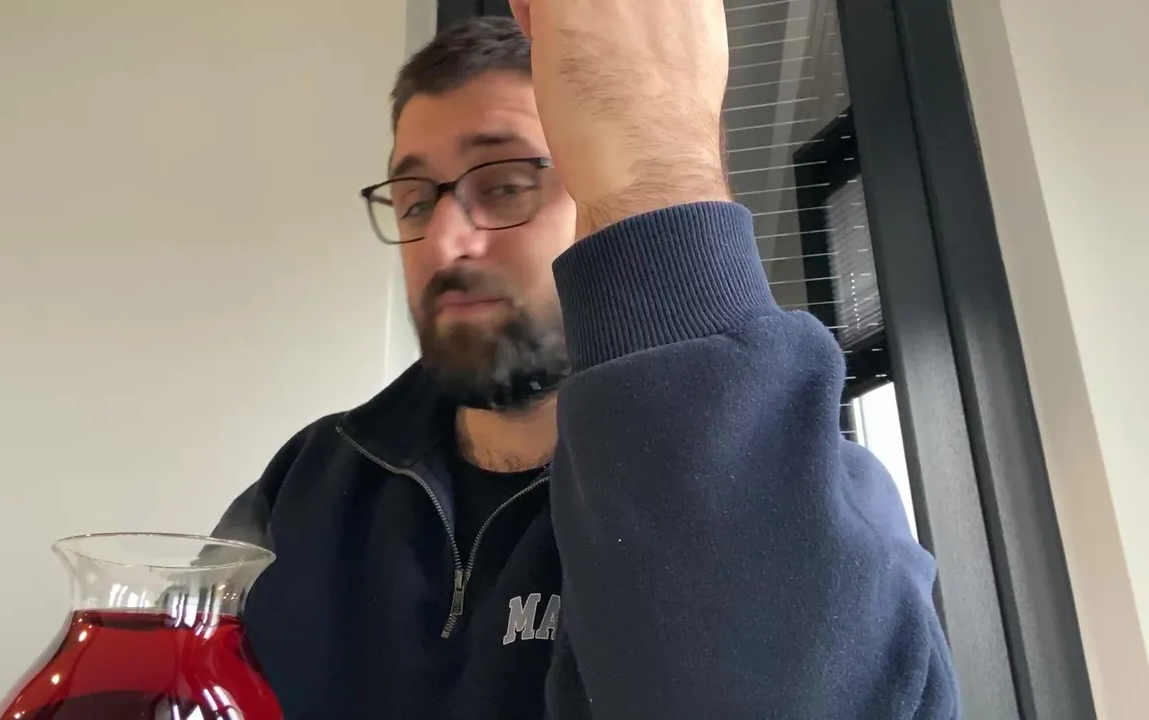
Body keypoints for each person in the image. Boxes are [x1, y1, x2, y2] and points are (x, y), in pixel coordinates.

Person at [214, 2, 959, 718]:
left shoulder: (812, 495)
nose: (444, 243)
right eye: (414, 201)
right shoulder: (309, 480)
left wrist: (657, 174)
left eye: (505, 185)